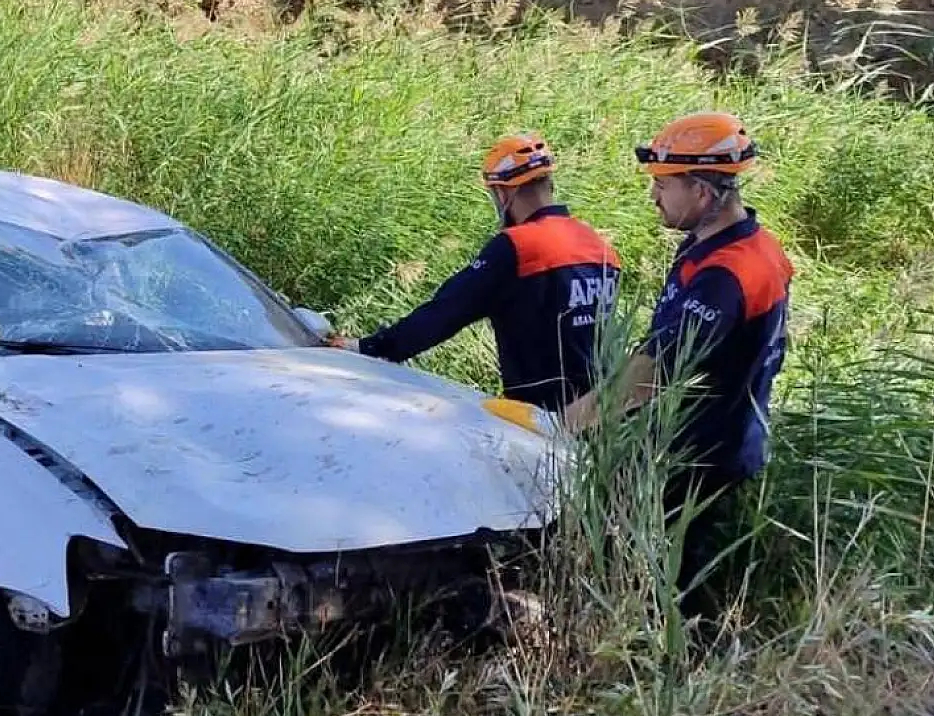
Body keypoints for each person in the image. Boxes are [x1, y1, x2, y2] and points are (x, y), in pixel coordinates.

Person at [562, 111, 794, 626]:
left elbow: (658, 369)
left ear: (704, 192)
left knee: (667, 585)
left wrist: (568, 424)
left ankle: (674, 673)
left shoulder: (728, 273)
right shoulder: (728, 246)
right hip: (712, 438)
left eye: (663, 186)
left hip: (703, 452)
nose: (654, 198)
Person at [330, 133, 622, 416]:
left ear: (504, 191)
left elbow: (445, 312)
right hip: (603, 413)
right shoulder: (599, 245)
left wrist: (371, 347)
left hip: (542, 418)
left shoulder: (517, 247)